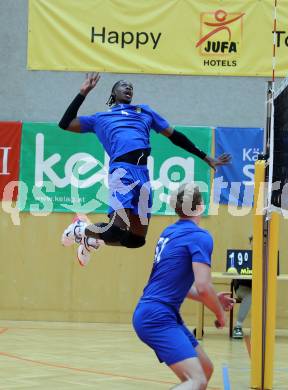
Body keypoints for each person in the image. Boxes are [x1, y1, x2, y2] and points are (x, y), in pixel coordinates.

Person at [58, 74, 231, 266]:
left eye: (130, 86)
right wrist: (83, 93)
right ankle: (80, 229)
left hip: (143, 174)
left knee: (136, 240)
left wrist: (205, 157)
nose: (128, 87)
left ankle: (91, 241)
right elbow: (65, 123)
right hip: (122, 172)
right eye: (123, 85)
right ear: (113, 93)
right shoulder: (100, 118)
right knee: (116, 230)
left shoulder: (145, 112)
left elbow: (175, 136)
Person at [132, 183, 234, 389]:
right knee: (196, 380)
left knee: (205, 369)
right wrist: (220, 314)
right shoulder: (200, 236)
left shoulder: (169, 232)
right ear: (200, 207)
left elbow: (179, 286)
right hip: (157, 317)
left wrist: (216, 299)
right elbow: (204, 287)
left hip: (158, 312)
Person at [232, 236, 252, 339]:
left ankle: (261, 328)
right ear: (250, 243)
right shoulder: (244, 257)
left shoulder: (268, 259)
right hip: (243, 287)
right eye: (254, 241)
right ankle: (238, 327)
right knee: (250, 295)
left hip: (260, 289)